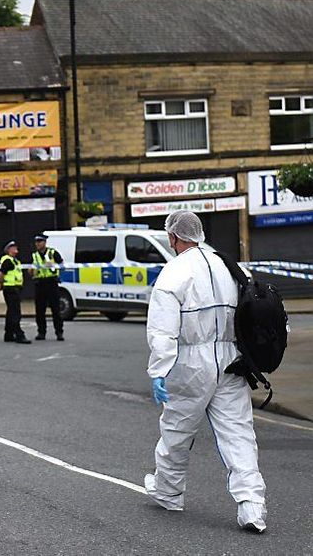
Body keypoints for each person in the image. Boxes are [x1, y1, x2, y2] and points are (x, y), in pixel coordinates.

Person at [145, 210, 267, 533]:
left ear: (173, 237)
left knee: (176, 432)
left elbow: (163, 331)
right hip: (231, 363)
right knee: (239, 435)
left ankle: (169, 492)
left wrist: (159, 371)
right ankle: (252, 506)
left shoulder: (173, 274)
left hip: (190, 365)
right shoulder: (231, 266)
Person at [30, 234, 64, 341]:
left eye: (39, 242)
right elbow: (31, 269)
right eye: (36, 242)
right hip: (40, 284)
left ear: (44, 242)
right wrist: (31, 271)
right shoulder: (34, 255)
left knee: (55, 309)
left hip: (51, 283)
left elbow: (62, 265)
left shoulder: (52, 253)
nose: (37, 244)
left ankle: (59, 332)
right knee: (40, 310)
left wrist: (54, 267)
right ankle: (41, 332)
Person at [0, 241, 30, 344]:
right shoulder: (8, 261)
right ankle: (19, 335)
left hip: (15, 288)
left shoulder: (15, 261)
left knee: (11, 312)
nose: (16, 250)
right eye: (13, 248)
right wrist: (1, 284)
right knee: (15, 313)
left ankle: (9, 334)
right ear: (8, 250)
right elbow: (1, 274)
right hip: (10, 288)